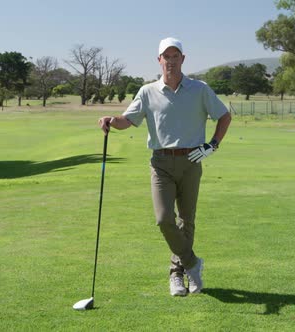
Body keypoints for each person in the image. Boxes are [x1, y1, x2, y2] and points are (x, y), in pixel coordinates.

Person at [98, 37, 232, 296]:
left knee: (187, 220)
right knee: (163, 219)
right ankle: (193, 264)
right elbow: (128, 120)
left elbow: (224, 116)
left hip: (192, 160)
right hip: (161, 162)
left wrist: (212, 145)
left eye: (175, 56)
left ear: (183, 59)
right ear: (159, 60)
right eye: (166, 56)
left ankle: (177, 275)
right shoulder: (147, 91)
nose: (170, 61)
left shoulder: (200, 89)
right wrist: (110, 120)